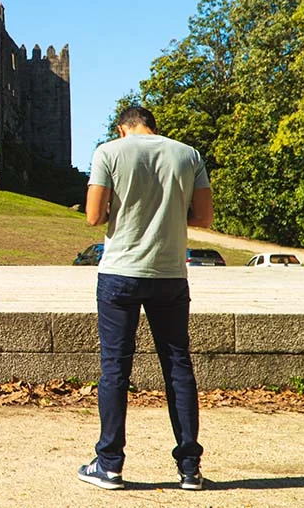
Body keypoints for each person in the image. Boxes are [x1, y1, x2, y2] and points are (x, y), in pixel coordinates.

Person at [77, 106, 213, 492]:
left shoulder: (109, 152)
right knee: (178, 367)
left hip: (121, 272)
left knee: (115, 368)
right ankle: (189, 467)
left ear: (123, 128)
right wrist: (167, 213)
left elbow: (92, 216)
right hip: (170, 273)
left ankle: (110, 464)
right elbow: (203, 217)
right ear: (153, 126)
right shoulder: (188, 154)